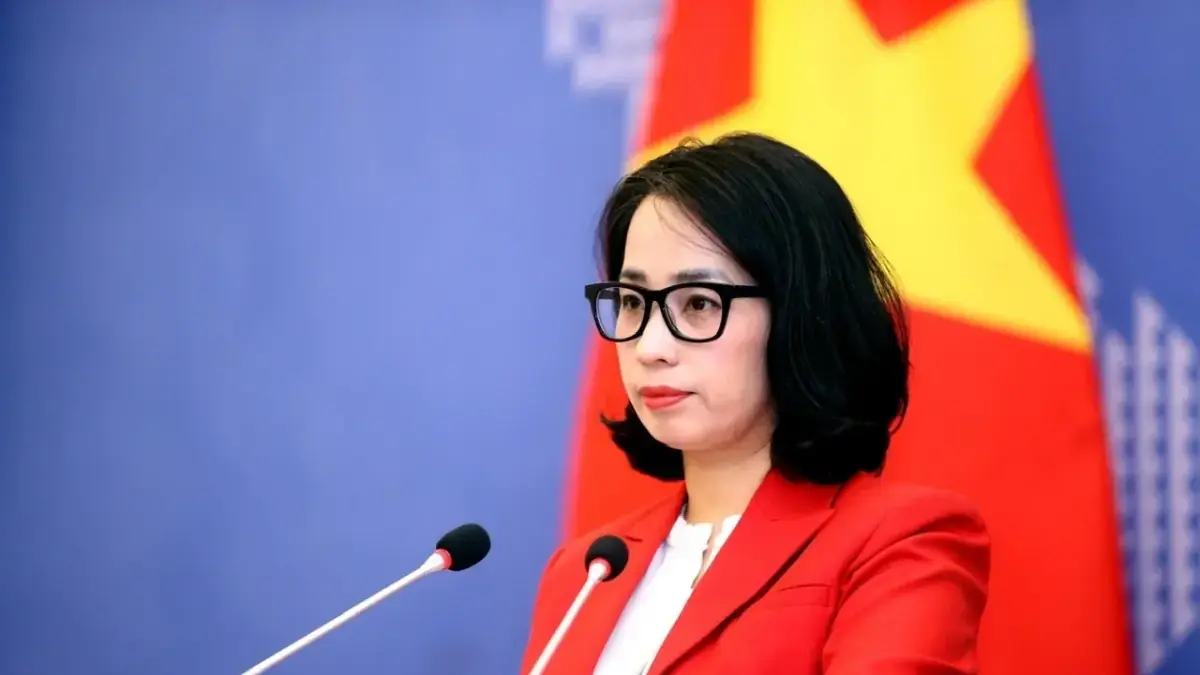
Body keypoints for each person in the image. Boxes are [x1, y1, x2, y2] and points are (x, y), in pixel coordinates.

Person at [520, 132, 990, 675]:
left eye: (698, 303)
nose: (649, 347)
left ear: (798, 315)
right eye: (632, 301)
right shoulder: (584, 571)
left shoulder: (902, 541)